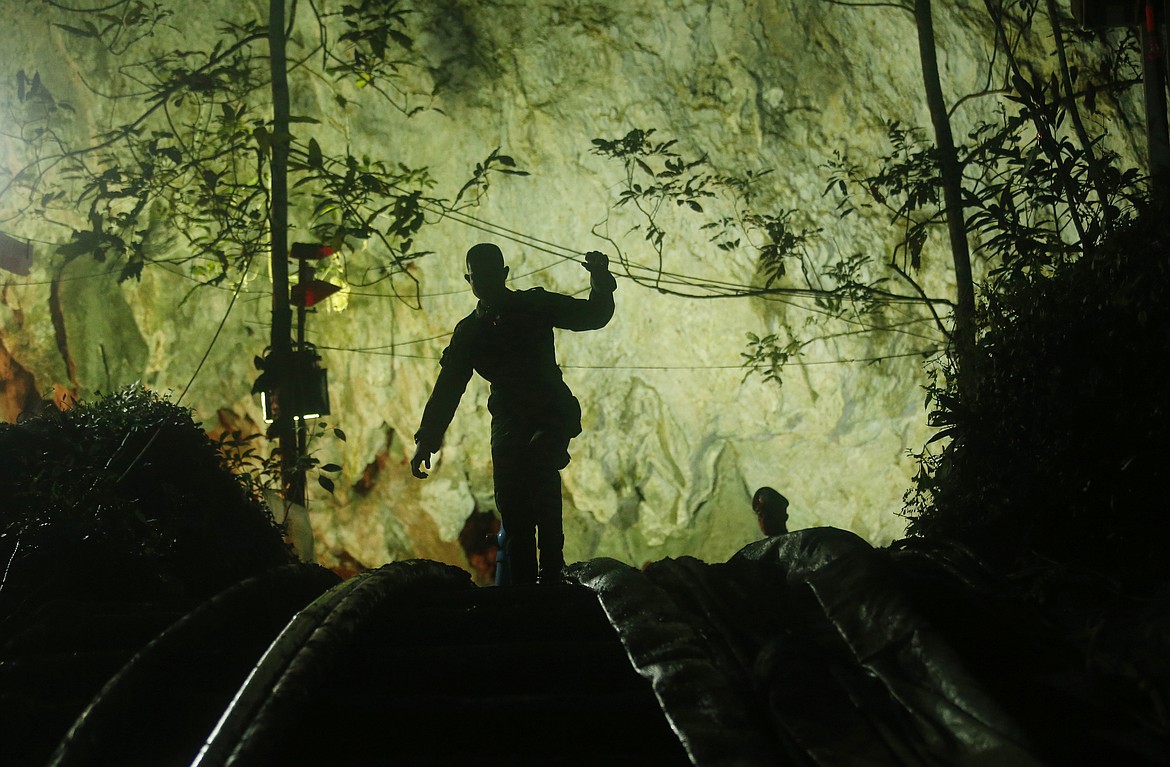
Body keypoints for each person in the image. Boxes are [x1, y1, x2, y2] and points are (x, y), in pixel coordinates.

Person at [411, 243, 617, 585]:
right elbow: (448, 388)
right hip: (508, 419)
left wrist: (600, 281)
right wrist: (427, 439)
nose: (486, 283)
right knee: (511, 498)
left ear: (504, 275)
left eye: (492, 275)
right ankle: (522, 587)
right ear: (469, 280)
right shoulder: (470, 332)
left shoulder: (533, 304)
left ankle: (552, 568)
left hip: (548, 408)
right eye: (479, 278)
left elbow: (592, 316)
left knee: (539, 466)